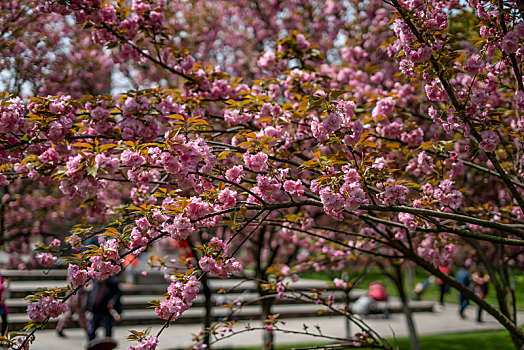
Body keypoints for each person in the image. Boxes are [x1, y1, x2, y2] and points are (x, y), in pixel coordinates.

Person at [86, 276, 122, 341]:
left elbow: (118, 293)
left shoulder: (113, 281)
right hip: (96, 309)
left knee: (107, 328)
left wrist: (112, 303)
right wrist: (89, 305)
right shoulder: (96, 281)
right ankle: (91, 341)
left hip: (106, 310)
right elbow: (93, 294)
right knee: (92, 328)